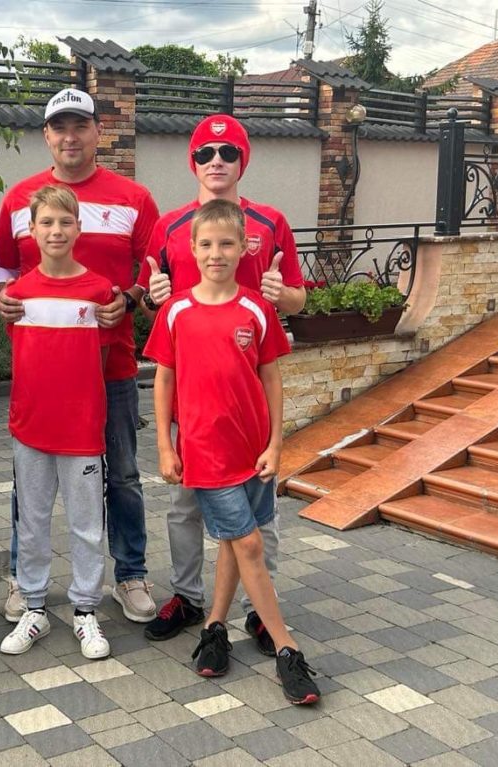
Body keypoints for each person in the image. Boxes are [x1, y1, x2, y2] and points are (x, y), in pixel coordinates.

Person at [137, 115, 305, 651]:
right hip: (193, 393)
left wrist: (282, 293)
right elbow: (146, 300)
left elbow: (298, 299)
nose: (216, 162)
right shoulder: (169, 226)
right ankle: (189, 597)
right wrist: (151, 295)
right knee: (186, 501)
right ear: (192, 161)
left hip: (247, 390)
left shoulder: (271, 222)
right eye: (206, 153)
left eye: (227, 152)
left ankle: (259, 608)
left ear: (242, 160)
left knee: (261, 507)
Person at [0, 88, 160, 624]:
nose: (70, 136)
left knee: (125, 475)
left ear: (97, 133)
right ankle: (25, 579)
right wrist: (0, 297)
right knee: (31, 481)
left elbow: (152, 267)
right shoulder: (21, 199)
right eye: (59, 127)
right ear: (46, 135)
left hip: (110, 367)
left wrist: (130, 300)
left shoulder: (134, 198)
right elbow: (0, 268)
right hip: (46, 374)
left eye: (80, 126)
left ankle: (129, 574)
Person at [145, 199, 319, 704]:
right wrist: (163, 444)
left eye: (226, 244)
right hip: (206, 454)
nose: (215, 253)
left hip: (254, 454)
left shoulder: (255, 309)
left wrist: (276, 443)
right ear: (191, 250)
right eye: (205, 244)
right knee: (249, 546)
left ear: (244, 248)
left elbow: (271, 378)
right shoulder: (176, 310)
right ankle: (287, 649)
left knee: (228, 544)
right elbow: (163, 379)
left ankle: (215, 628)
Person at [0, 186, 114, 660]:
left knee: (87, 525)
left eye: (65, 222)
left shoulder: (100, 290)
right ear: (32, 229)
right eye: (46, 222)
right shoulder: (17, 295)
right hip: (31, 427)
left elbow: (99, 357)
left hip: (83, 430)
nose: (56, 231)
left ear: (79, 228)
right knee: (32, 522)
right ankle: (34, 607)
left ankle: (85, 610)